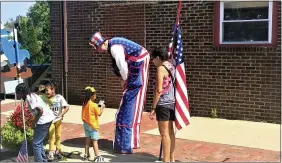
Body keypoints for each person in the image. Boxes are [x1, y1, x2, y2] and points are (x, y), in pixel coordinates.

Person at [89, 32, 150, 153]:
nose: (99, 51)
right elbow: (121, 66)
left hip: (140, 61)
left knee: (134, 103)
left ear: (102, 43)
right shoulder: (113, 46)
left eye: (98, 48)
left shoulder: (115, 47)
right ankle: (132, 141)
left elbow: (122, 66)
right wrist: (124, 79)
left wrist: (125, 79)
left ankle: (131, 142)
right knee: (131, 103)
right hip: (135, 63)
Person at [15, 83, 55, 162]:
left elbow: (40, 111)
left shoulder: (30, 99)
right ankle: (43, 160)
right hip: (47, 118)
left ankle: (39, 161)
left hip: (44, 120)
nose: (17, 95)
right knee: (38, 142)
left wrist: (33, 122)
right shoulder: (31, 95)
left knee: (36, 143)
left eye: (18, 93)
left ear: (22, 92)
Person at [149, 47, 176, 162]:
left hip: (163, 104)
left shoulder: (161, 68)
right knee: (170, 131)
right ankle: (171, 158)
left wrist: (153, 108)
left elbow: (159, 90)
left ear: (158, 58)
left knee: (164, 133)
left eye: (153, 59)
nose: (152, 62)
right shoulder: (171, 66)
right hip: (172, 102)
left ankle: (166, 160)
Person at [41, 80, 69, 160]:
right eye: (45, 90)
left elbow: (67, 107)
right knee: (51, 135)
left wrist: (61, 114)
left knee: (58, 135)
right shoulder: (44, 98)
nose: (46, 92)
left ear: (53, 89)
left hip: (58, 120)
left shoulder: (59, 97)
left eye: (47, 90)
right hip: (50, 120)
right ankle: (51, 152)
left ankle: (58, 150)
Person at [81, 86, 105, 162]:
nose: (95, 95)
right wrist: (102, 107)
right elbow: (99, 113)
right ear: (92, 95)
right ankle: (97, 156)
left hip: (86, 124)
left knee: (87, 139)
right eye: (95, 94)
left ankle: (86, 154)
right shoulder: (94, 105)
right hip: (93, 126)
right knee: (95, 141)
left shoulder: (84, 103)